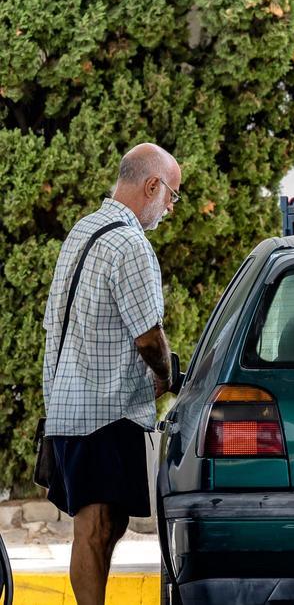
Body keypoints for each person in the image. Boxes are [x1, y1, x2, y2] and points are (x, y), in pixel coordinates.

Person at [41, 143, 181, 605]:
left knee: (101, 527)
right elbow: (148, 336)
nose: (171, 208)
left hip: (69, 405)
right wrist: (167, 373)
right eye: (172, 196)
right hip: (103, 411)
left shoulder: (84, 230)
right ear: (152, 185)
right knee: (96, 529)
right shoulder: (130, 243)